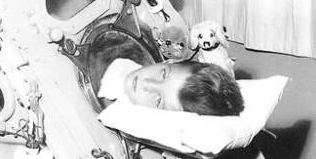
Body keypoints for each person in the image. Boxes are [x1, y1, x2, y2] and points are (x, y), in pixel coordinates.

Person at [98, 58, 244, 116]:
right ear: (170, 61)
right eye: (163, 74)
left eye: (158, 100)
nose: (146, 83)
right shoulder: (125, 58)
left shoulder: (121, 116)